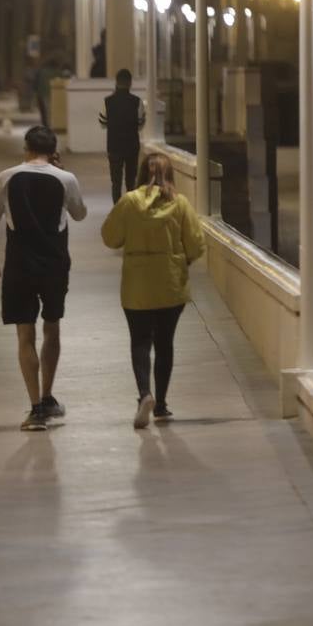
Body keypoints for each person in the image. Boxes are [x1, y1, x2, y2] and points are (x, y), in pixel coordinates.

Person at [0, 126, 88, 431]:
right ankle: (48, 395)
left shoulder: (5, 177)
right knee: (52, 329)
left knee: (24, 335)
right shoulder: (65, 179)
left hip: (19, 264)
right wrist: (63, 174)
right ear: (53, 150)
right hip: (55, 264)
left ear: (26, 147)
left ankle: (36, 409)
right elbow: (79, 214)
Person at [101, 154, 204, 429]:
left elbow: (110, 237)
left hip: (137, 284)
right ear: (170, 174)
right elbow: (195, 244)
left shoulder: (130, 201)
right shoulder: (180, 203)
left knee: (140, 340)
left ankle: (145, 393)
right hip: (170, 283)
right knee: (165, 343)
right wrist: (182, 260)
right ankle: (161, 405)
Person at [98, 69, 147, 204]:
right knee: (131, 180)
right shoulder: (137, 102)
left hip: (114, 145)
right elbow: (141, 124)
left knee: (116, 181)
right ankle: (131, 208)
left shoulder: (107, 101)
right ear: (130, 83)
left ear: (116, 82)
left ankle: (117, 209)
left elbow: (102, 123)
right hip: (132, 145)